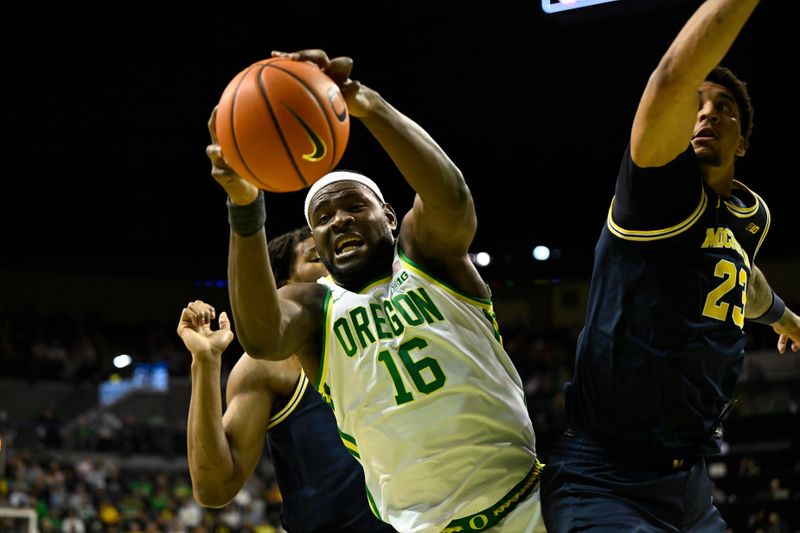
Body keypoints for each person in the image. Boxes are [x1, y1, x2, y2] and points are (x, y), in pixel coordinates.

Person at [206, 49, 545, 533]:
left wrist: (367, 104)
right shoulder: (314, 307)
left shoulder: (430, 260)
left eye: (353, 207)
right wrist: (245, 206)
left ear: (388, 216)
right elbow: (261, 336)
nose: (338, 219)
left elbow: (450, 199)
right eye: (322, 218)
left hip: (525, 505)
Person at [540, 1, 800, 531]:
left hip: (689, 485)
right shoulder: (654, 192)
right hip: (605, 477)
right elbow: (669, 79)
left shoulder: (751, 215)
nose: (706, 113)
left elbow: (740, 276)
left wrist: (785, 319)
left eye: (723, 107)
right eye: (697, 105)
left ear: (743, 141)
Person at [179, 226, 396, 532]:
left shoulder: (399, 336)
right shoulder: (269, 366)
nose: (335, 262)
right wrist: (205, 361)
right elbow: (214, 488)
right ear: (282, 288)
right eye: (317, 257)